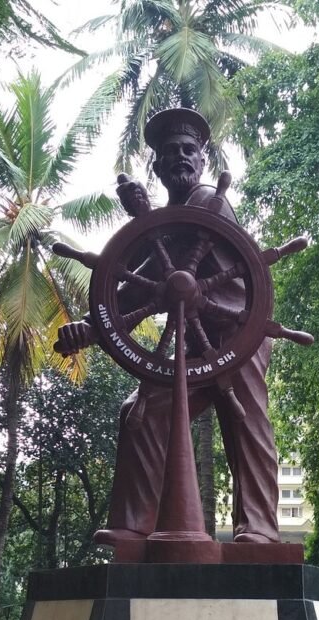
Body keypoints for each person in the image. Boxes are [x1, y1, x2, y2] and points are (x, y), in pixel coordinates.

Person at [55, 107, 280, 545]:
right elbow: (146, 279)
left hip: (237, 338)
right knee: (142, 411)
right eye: (170, 151)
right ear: (156, 166)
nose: (180, 157)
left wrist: (141, 221)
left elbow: (155, 274)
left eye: (189, 150)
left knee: (248, 426)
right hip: (195, 343)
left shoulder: (203, 205)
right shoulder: (170, 221)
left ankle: (260, 531)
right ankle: (134, 525)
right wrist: (92, 326)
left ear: (202, 160)